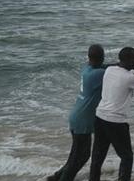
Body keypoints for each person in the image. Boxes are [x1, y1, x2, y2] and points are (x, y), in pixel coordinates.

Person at [89, 45, 134, 181]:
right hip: (116, 122)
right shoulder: (128, 78)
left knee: (98, 157)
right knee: (127, 157)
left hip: (100, 118)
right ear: (128, 61)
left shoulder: (110, 70)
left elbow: (131, 74)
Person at [48, 45, 106, 181]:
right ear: (102, 57)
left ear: (89, 57)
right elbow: (118, 69)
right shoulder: (99, 74)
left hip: (77, 116)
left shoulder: (87, 69)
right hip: (83, 120)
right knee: (81, 157)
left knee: (75, 155)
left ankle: (56, 177)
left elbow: (109, 66)